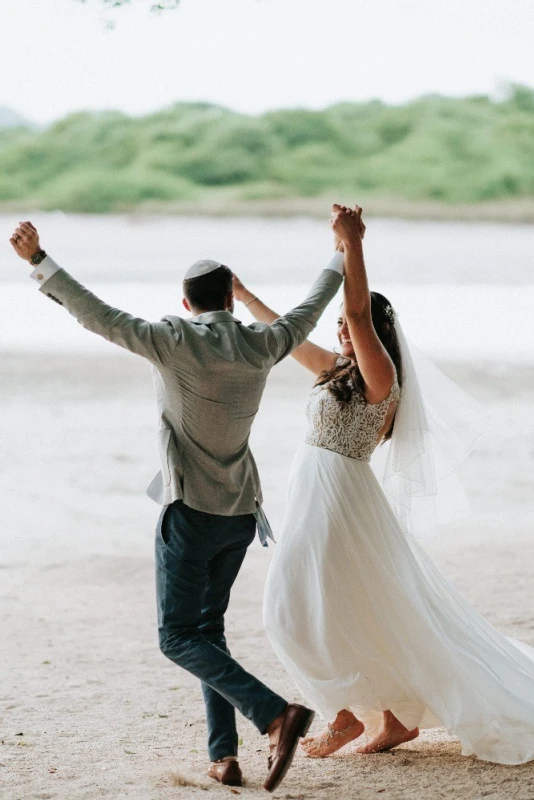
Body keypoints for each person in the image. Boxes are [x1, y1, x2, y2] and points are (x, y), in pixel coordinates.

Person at [8, 219, 347, 792]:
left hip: (189, 512)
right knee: (207, 630)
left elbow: (98, 315)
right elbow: (310, 308)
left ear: (186, 302)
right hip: (241, 514)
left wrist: (39, 257)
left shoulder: (173, 339)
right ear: (227, 296)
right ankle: (224, 756)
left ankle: (274, 715)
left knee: (177, 638)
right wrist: (341, 257)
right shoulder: (263, 342)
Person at [233, 204, 534, 766]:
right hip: (314, 494)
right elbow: (286, 338)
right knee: (345, 606)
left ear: (376, 327)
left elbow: (357, 310)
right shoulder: (337, 368)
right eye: (341, 326)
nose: (342, 327)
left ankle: (344, 714)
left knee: (289, 606)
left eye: (352, 323)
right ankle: (390, 718)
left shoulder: (382, 376)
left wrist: (352, 244)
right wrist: (246, 296)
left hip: (338, 497)